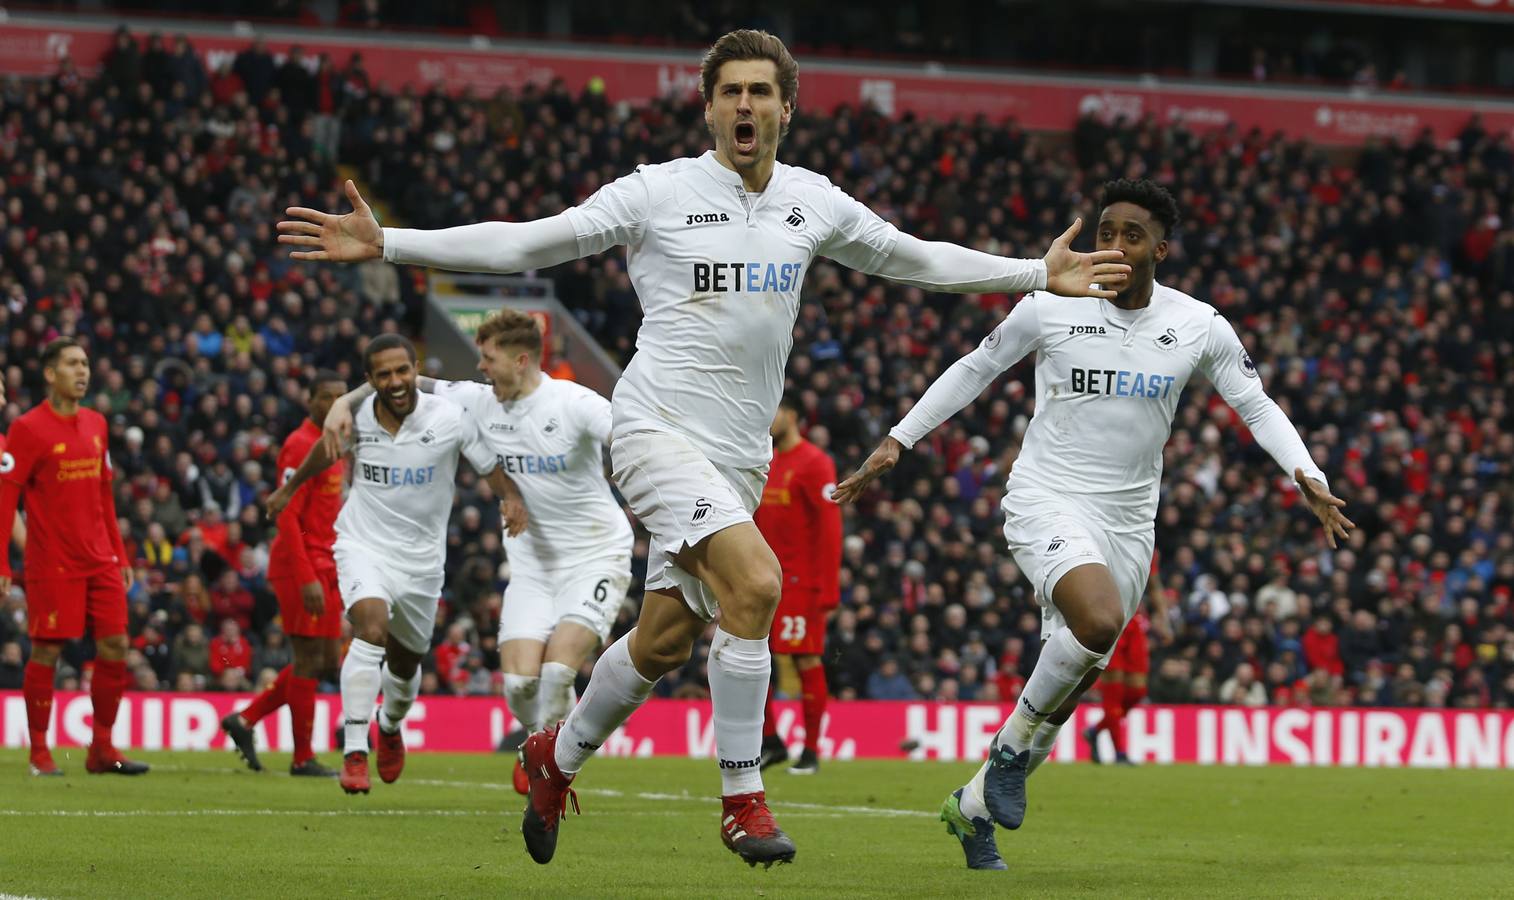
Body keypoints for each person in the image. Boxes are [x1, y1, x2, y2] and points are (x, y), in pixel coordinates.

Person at [278, 30, 1127, 867]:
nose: (746, 104)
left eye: (761, 91)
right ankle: (743, 799)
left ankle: (553, 759)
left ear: (786, 109)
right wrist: (391, 242)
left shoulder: (812, 200)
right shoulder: (658, 192)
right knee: (757, 582)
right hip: (654, 432)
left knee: (661, 642)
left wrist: (1031, 272)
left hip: (737, 458)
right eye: (732, 92)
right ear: (709, 106)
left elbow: (912, 258)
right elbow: (533, 239)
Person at [835, 178, 1353, 870]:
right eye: (1105, 232)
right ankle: (1009, 751)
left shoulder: (1198, 324)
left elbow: (1256, 406)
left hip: (1130, 523)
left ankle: (972, 808)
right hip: (1046, 497)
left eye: (1130, 236)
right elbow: (977, 366)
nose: (1112, 246)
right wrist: (899, 439)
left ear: (1159, 250)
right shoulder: (1050, 303)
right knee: (1098, 622)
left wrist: (1307, 473)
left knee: (1073, 679)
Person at [322, 308, 633, 795]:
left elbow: (627, 434)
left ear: (521, 360)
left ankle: (547, 756)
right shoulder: (476, 400)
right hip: (532, 564)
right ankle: (540, 737)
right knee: (518, 686)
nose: (481, 368)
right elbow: (406, 380)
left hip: (596, 553)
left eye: (488, 358)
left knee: (555, 672)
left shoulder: (574, 403)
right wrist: (343, 403)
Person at [267, 334, 528, 795]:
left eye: (402, 371)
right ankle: (353, 750)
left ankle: (389, 724)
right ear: (370, 381)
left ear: (415, 370)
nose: (396, 381)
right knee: (369, 630)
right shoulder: (357, 421)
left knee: (406, 668)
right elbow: (323, 452)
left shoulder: (449, 419)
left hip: (422, 563)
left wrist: (509, 497)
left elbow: (487, 465)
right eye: (384, 374)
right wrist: (288, 491)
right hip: (362, 545)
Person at [0, 338, 148, 777]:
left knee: (117, 644)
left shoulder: (97, 423)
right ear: (50, 374)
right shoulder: (28, 429)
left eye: (85, 363)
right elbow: (6, 499)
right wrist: (4, 564)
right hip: (53, 563)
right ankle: (40, 753)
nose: (82, 371)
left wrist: (119, 554)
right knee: (47, 651)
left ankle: (101, 748)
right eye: (71, 364)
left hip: (100, 558)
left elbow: (104, 493)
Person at [220, 370, 349, 777]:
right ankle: (302, 757)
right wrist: (306, 574)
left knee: (327, 659)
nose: (332, 405)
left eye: (339, 398)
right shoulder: (299, 445)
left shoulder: (337, 443)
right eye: (324, 397)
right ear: (310, 401)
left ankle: (245, 720)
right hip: (300, 564)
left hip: (327, 561)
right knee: (308, 659)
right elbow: (288, 516)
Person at [754, 393, 841, 775]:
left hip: (800, 581)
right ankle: (771, 741)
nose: (767, 418)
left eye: (773, 411)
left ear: (791, 415)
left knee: (804, 657)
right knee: (750, 655)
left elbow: (829, 527)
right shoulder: (763, 459)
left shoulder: (815, 463)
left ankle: (810, 751)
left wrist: (828, 586)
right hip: (760, 577)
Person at [1083, 554, 1169, 765]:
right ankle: (1120, 753)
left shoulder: (1145, 540)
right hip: (1110, 620)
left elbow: (1154, 584)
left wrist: (1163, 618)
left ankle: (1096, 730)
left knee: (1136, 692)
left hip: (1135, 623)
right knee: (1114, 693)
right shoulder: (1100, 539)